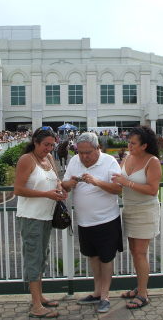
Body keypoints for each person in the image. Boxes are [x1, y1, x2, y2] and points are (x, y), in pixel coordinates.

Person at [61, 132, 122, 314]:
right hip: (84, 222)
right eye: (81, 152)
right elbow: (64, 184)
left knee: (106, 258)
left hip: (106, 220)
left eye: (88, 152)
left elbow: (118, 189)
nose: (84, 156)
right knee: (93, 257)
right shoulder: (74, 162)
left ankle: (105, 296)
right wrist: (69, 184)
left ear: (98, 149)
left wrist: (97, 182)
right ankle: (96, 292)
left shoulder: (109, 161)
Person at [14, 127, 65, 319]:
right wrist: (46, 194)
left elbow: (56, 180)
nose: (49, 148)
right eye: (46, 145)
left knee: (42, 256)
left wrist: (59, 189)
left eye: (52, 145)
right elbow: (18, 189)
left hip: (46, 216)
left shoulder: (49, 159)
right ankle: (36, 305)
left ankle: (39, 297)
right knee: (33, 258)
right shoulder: (27, 159)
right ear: (36, 142)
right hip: (31, 216)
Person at [111, 126, 162, 310]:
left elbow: (152, 189)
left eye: (133, 143)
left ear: (144, 145)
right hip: (129, 209)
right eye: (129, 142)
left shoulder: (152, 161)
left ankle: (143, 294)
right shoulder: (127, 157)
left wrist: (127, 183)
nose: (129, 146)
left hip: (145, 210)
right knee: (134, 250)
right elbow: (119, 178)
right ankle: (139, 287)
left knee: (140, 252)